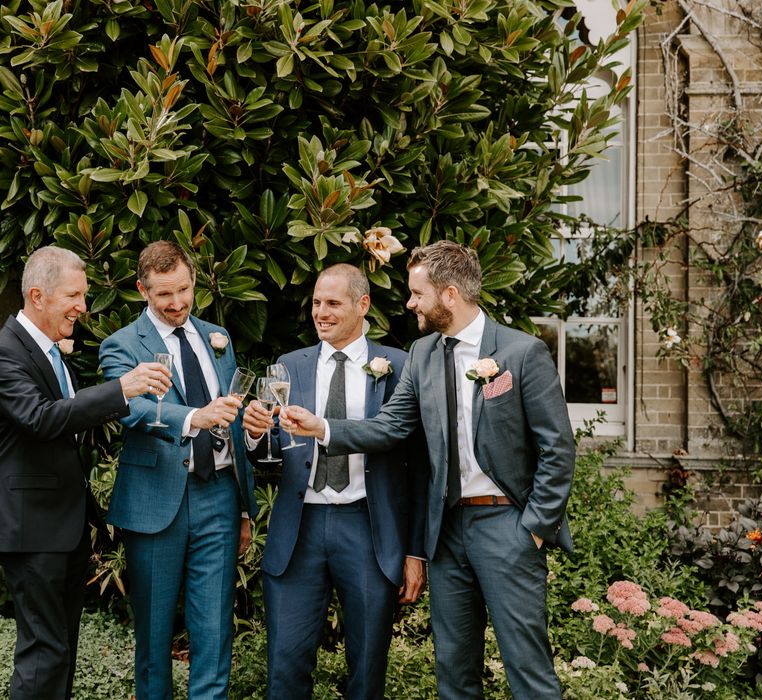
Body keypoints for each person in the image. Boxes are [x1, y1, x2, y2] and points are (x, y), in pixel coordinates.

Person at [282, 241, 575, 699]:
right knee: (453, 672)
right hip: (447, 533)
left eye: (418, 294)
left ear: (450, 295)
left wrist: (534, 528)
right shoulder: (421, 354)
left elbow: (558, 449)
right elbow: (389, 427)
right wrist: (322, 427)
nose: (410, 303)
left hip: (507, 526)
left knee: (528, 669)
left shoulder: (522, 353)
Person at [243, 263, 428, 700]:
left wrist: (415, 550)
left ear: (362, 305)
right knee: (285, 669)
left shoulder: (399, 366)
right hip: (299, 528)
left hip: (369, 529)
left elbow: (419, 466)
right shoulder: (289, 366)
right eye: (315, 303)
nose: (320, 313)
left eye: (332, 303)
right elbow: (270, 449)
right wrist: (253, 433)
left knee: (367, 671)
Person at [0, 246, 172, 700]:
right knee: (44, 653)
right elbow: (41, 419)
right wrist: (122, 387)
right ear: (37, 296)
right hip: (32, 529)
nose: (83, 306)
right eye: (73, 296)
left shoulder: (52, 351)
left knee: (61, 652)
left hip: (62, 527)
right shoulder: (5, 352)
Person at [99, 240, 258, 700]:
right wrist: (193, 418)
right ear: (141, 290)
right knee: (153, 635)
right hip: (155, 502)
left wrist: (245, 508)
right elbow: (130, 408)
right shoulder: (123, 344)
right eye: (164, 294)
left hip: (221, 497)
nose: (177, 303)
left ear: (195, 280)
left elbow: (233, 412)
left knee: (214, 631)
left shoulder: (217, 336)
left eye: (184, 290)